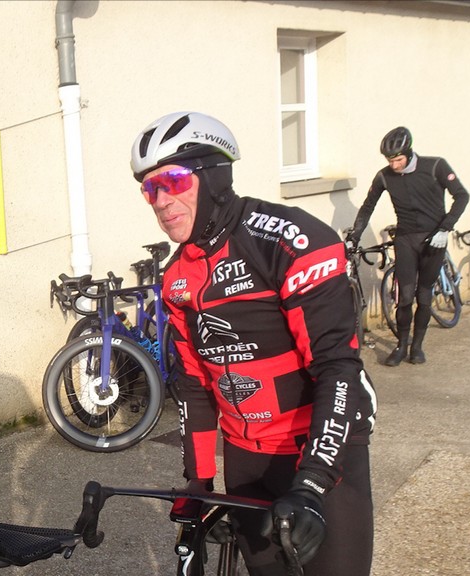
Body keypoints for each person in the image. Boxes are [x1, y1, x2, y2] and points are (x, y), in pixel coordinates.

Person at [131, 111, 377, 575]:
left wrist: (313, 481)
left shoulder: (290, 240)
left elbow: (337, 369)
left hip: (317, 452)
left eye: (173, 181)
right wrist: (198, 484)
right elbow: (194, 389)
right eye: (149, 189)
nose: (161, 200)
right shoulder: (176, 277)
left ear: (214, 175)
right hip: (246, 457)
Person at [346, 126, 469, 366]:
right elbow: (368, 206)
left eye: (399, 160)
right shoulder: (384, 176)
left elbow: (462, 196)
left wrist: (445, 228)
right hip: (406, 239)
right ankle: (401, 346)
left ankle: (417, 347)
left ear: (409, 153)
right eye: (390, 160)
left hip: (434, 240)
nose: (394, 165)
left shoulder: (435, 166)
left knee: (424, 296)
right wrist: (355, 236)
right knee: (404, 297)